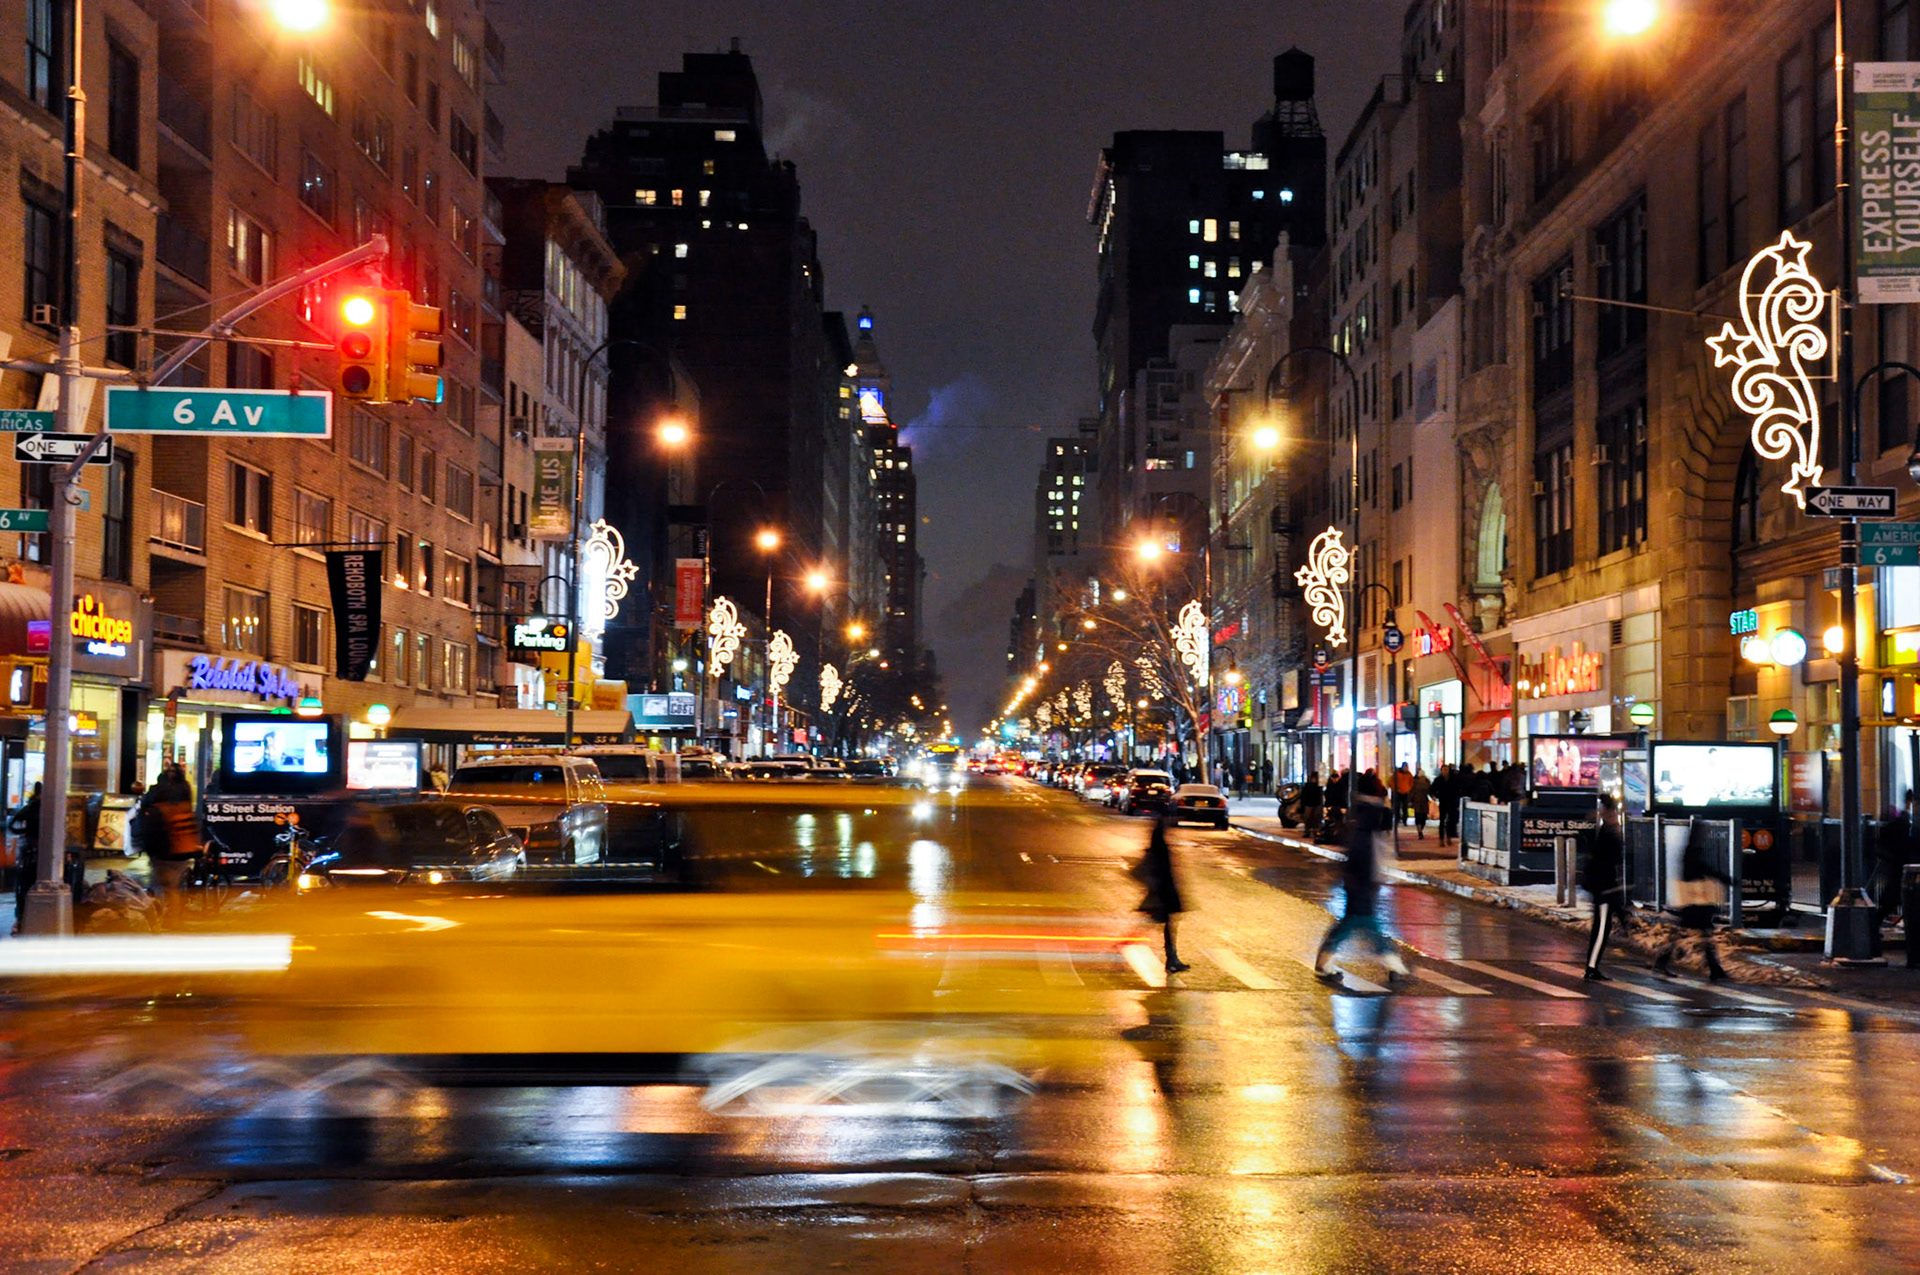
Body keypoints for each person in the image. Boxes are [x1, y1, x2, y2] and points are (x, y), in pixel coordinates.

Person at [1313, 772, 1408, 986]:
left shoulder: (1362, 811)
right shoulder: (1374, 811)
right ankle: (1393, 963)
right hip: (1362, 875)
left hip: (1359, 875)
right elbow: (1368, 846)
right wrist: (1367, 875)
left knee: (1355, 920)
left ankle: (1325, 960)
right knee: (1364, 921)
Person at [1652, 819, 1732, 981]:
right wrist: (1723, 878)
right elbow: (1701, 869)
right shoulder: (1693, 851)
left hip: (1694, 900)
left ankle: (1713, 969)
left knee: (1695, 933)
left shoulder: (1691, 849)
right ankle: (1714, 969)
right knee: (1699, 934)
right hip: (1695, 899)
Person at [1582, 793, 1630, 981]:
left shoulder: (1606, 832)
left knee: (1604, 926)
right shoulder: (1608, 833)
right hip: (1603, 888)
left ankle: (1593, 966)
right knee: (1601, 928)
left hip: (1605, 887)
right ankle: (1591, 967)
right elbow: (1610, 859)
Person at [1135, 811, 1188, 973]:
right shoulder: (1159, 844)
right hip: (1163, 892)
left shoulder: (1159, 841)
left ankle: (1172, 959)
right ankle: (1171, 959)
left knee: (1166, 924)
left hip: (1164, 890)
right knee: (1161, 923)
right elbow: (1161, 869)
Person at [9, 782, 42, 933]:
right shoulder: (44, 808)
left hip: (29, 849)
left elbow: (12, 825)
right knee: (30, 882)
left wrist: (24, 831)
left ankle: (21, 918)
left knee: (24, 885)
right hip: (38, 850)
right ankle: (26, 917)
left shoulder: (29, 808)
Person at [1409, 767, 1432, 841]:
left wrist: (1410, 801)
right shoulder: (1422, 783)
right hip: (1420, 802)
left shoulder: (1420, 783)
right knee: (1421, 817)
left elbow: (1411, 793)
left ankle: (1420, 830)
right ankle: (1420, 831)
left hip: (1420, 802)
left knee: (1421, 817)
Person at [1300, 770, 1325, 838]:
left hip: (1315, 804)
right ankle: (1308, 831)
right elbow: (1304, 795)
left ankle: (1315, 832)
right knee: (1308, 819)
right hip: (1309, 804)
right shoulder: (1309, 786)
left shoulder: (1318, 787)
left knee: (1316, 819)